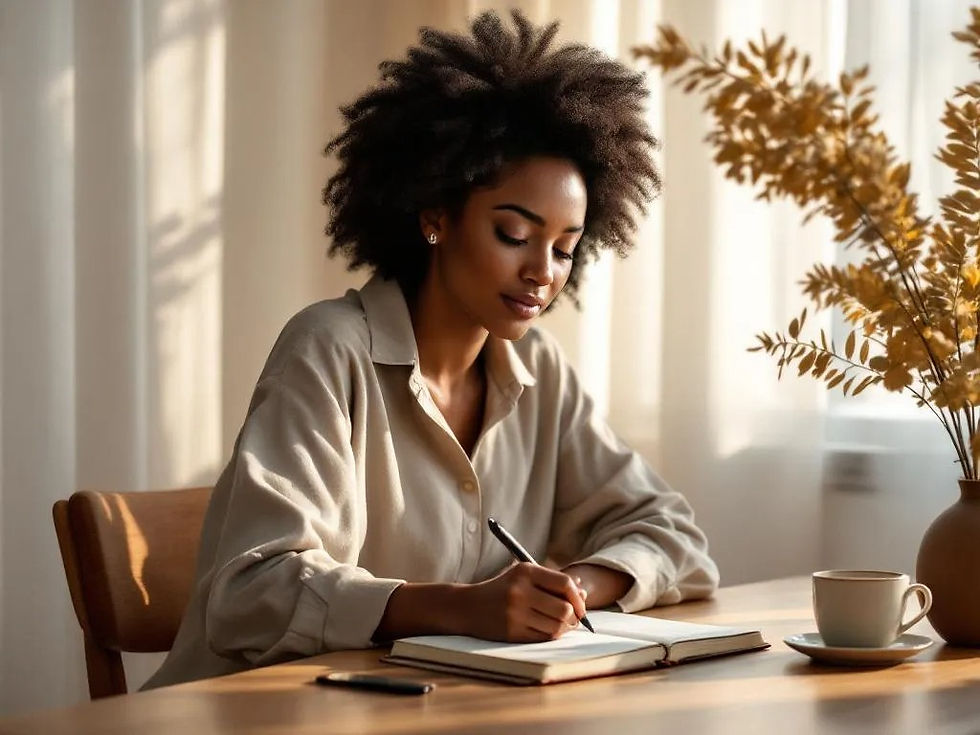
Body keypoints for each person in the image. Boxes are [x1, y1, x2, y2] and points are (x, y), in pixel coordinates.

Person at [144, 9, 718, 689]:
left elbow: (675, 536)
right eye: (514, 232)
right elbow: (251, 591)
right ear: (435, 216)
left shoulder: (540, 374)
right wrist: (459, 606)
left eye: (565, 248)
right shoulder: (327, 350)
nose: (544, 270)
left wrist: (566, 591)